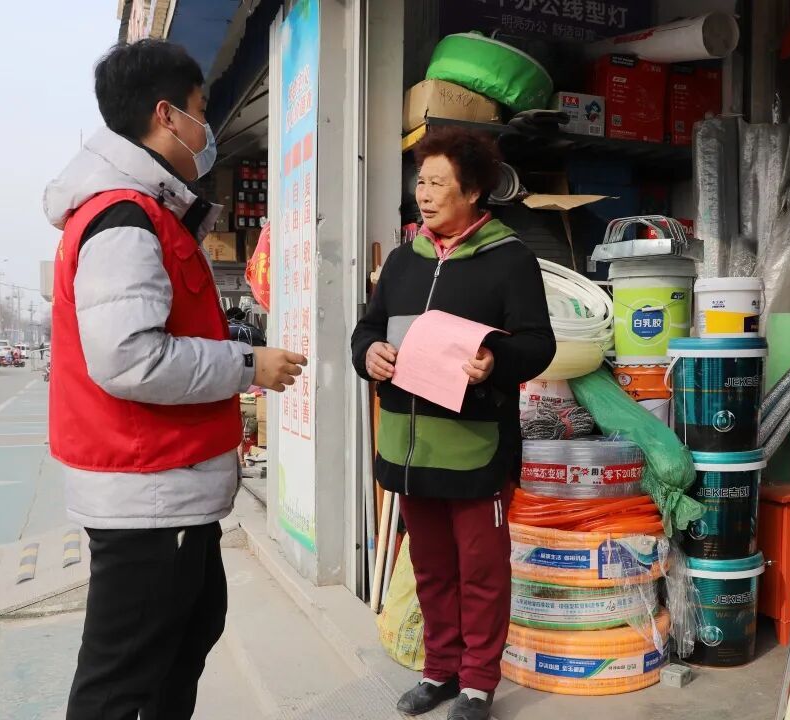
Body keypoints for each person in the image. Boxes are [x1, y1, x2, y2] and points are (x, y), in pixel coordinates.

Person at [43, 39, 306, 720]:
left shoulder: (147, 212)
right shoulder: (124, 219)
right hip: (147, 495)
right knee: (123, 681)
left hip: (167, 493)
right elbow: (130, 358)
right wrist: (249, 365)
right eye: (200, 110)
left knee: (185, 639)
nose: (206, 128)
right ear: (166, 115)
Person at [351, 127, 555, 720]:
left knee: (482, 573)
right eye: (421, 181)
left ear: (472, 192)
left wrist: (496, 361)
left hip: (474, 446)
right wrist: (368, 354)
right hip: (408, 448)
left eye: (438, 183)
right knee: (431, 569)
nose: (424, 193)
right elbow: (368, 328)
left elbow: (538, 344)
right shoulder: (402, 260)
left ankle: (477, 684)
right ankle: (439, 670)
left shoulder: (509, 259)